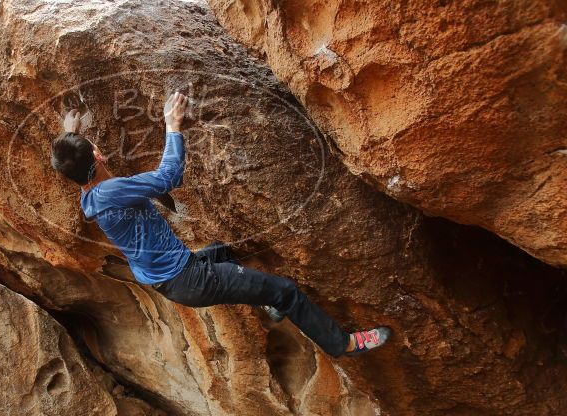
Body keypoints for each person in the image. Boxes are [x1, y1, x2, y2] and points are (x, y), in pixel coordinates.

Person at [50, 91, 390, 357]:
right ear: (98, 155)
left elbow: (73, 160)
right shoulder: (113, 191)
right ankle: (342, 343)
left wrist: (69, 133)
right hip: (192, 279)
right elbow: (170, 176)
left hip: (173, 279)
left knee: (222, 251)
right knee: (285, 290)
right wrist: (172, 124)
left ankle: (265, 300)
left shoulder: (90, 195)